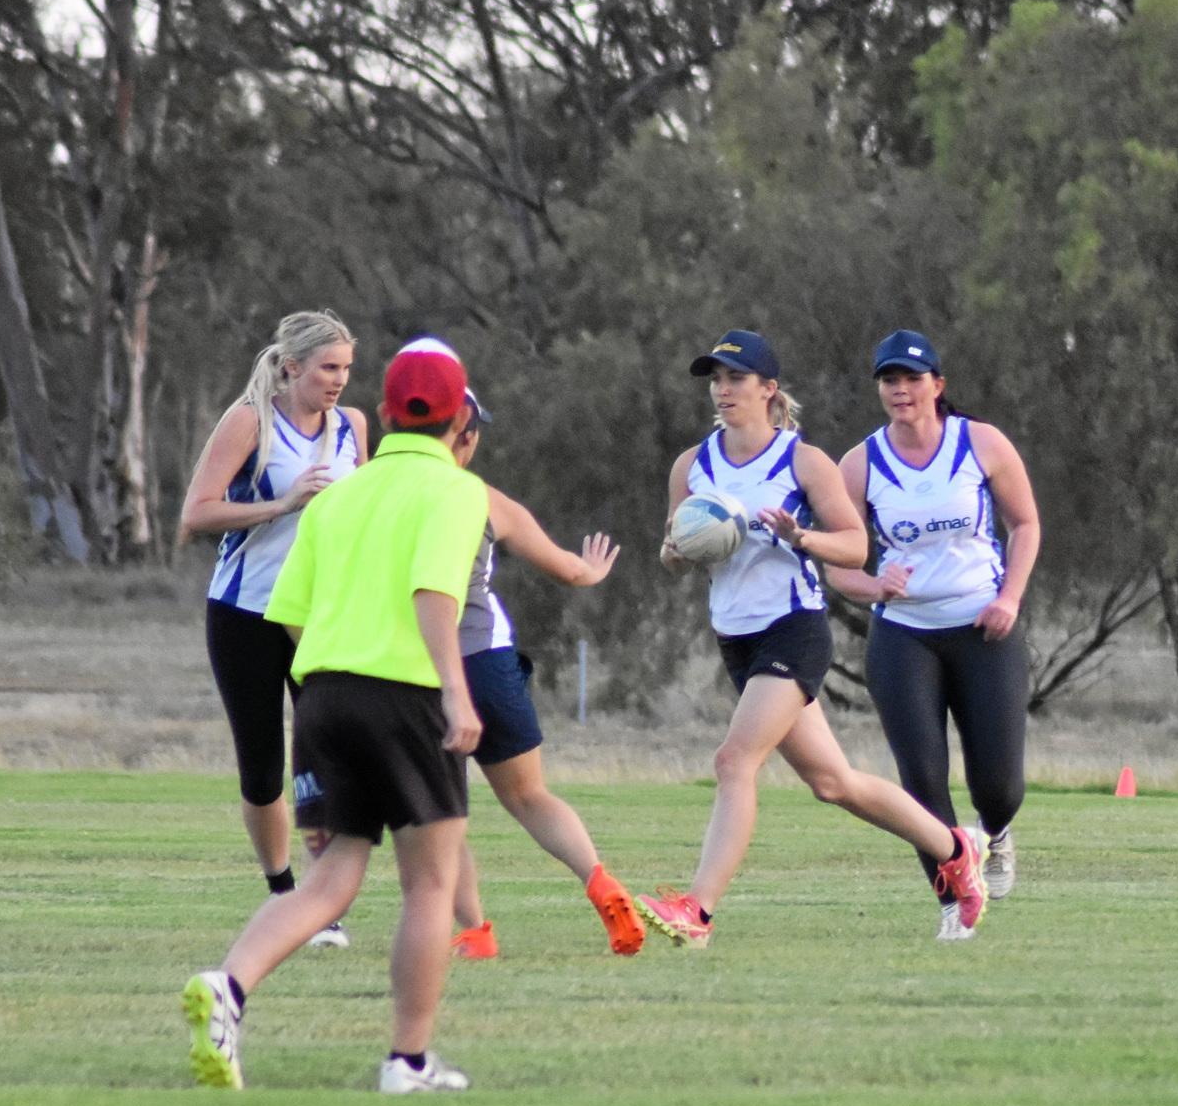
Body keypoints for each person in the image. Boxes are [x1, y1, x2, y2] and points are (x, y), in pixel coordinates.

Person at [181, 337, 491, 1094]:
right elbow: (434, 597)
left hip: (322, 693)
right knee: (428, 886)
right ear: (459, 421)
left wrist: (330, 676)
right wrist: (454, 690)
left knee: (329, 883)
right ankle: (408, 1063)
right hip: (409, 698)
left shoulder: (341, 492)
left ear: (384, 411)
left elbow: (289, 613)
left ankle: (230, 985)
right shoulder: (457, 492)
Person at [635, 329, 988, 947]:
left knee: (734, 761)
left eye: (736, 379)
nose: (723, 391)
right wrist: (679, 549)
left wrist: (801, 537)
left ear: (769, 390)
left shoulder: (802, 461)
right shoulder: (692, 466)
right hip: (736, 637)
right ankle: (954, 849)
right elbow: (672, 556)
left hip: (794, 628)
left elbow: (855, 546)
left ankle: (698, 912)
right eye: (716, 380)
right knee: (834, 783)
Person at [412, 388, 645, 959]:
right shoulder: (486, 499)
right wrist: (588, 572)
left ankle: (474, 931)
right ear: (462, 431)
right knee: (530, 796)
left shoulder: (383, 493)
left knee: (445, 808)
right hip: (490, 660)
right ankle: (601, 883)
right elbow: (566, 569)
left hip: (422, 664)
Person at [825, 330, 1040, 940]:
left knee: (997, 784)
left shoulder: (982, 443)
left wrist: (1010, 598)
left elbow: (1024, 524)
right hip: (904, 635)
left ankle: (994, 835)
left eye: (912, 379)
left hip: (982, 626)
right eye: (889, 380)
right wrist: (874, 587)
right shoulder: (860, 463)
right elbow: (838, 562)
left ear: (937, 386)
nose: (900, 390)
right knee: (921, 779)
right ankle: (954, 902)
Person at [178, 310, 368, 940]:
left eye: (346, 368)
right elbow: (196, 514)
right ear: (292, 367)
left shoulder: (352, 428)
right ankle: (283, 891)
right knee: (263, 771)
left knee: (329, 759)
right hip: (246, 615)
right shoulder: (249, 421)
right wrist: (283, 504)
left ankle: (322, 906)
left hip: (321, 619)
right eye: (327, 368)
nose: (339, 380)